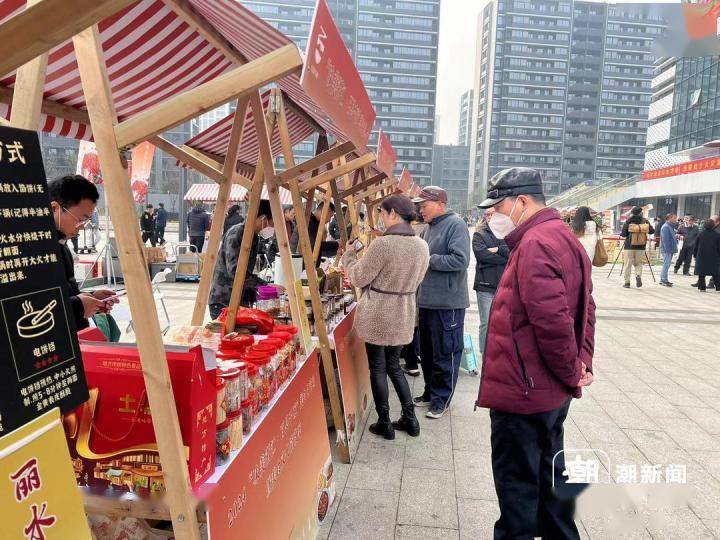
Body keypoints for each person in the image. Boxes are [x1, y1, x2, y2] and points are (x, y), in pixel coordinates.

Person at [476, 167, 596, 540]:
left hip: (525, 393)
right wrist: (581, 363)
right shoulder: (562, 236)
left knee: (518, 496)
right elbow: (587, 308)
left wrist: (571, 369)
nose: (493, 215)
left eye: (498, 206)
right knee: (550, 487)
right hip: (547, 393)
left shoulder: (536, 243)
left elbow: (554, 323)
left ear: (522, 201)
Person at [341, 195, 429, 439]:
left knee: (378, 367)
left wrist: (349, 256)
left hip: (379, 311)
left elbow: (358, 278)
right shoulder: (422, 245)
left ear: (392, 214)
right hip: (404, 311)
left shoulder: (384, 244)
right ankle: (410, 419)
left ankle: (385, 422)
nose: (380, 217)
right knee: (394, 367)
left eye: (382, 212)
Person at [411, 186, 470, 419]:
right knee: (426, 352)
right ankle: (430, 393)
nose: (421, 210)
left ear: (439, 204)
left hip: (448, 304)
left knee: (445, 353)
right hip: (427, 301)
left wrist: (428, 259)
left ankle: (441, 399)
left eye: (424, 205)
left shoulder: (456, 225)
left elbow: (460, 259)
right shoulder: (428, 228)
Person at [48, 175, 119, 330]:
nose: (81, 226)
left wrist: (92, 298)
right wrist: (79, 306)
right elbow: (32, 305)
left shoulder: (62, 245)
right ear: (55, 208)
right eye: (80, 219)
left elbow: (64, 292)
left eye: (86, 221)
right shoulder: (34, 251)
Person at [208, 199, 275, 319]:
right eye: (272, 223)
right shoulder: (237, 233)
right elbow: (236, 271)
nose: (273, 228)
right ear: (263, 219)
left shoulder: (253, 236)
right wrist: (264, 285)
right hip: (224, 300)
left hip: (239, 300)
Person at [472, 207, 508, 358]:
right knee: (486, 322)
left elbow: (513, 251)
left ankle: (500, 351)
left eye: (493, 213)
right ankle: (484, 352)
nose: (490, 216)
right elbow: (482, 256)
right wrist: (504, 255)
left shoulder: (508, 232)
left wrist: (497, 248)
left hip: (504, 285)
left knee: (504, 322)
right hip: (485, 286)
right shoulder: (479, 233)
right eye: (487, 214)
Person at [619, 207, 654, 288]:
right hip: (641, 247)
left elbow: (623, 234)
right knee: (638, 263)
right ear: (641, 212)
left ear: (632, 212)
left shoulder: (628, 221)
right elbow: (652, 231)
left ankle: (627, 283)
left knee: (628, 264)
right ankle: (638, 276)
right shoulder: (645, 221)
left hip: (629, 246)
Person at [693, 218, 720, 292]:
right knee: (716, 273)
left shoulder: (701, 234)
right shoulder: (717, 235)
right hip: (714, 256)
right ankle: (718, 287)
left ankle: (702, 288)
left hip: (701, 256)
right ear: (713, 225)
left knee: (701, 273)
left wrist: (695, 255)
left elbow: (696, 246)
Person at [659, 213, 678, 287]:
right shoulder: (666, 227)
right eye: (674, 218)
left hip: (670, 249)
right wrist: (668, 250)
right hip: (667, 249)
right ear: (670, 218)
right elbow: (665, 240)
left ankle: (663, 279)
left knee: (667, 264)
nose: (675, 219)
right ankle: (664, 280)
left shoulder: (670, 226)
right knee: (666, 265)